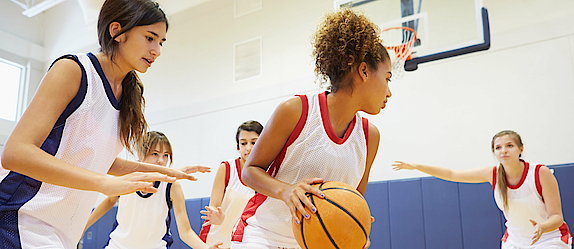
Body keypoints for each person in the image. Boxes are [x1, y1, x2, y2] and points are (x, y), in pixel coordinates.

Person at [0, 0, 208, 248]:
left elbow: (94, 159)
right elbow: (15, 153)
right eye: (150, 38)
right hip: (19, 219)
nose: (157, 51)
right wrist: (103, 183)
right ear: (116, 31)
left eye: (161, 42)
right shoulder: (73, 70)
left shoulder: (128, 95)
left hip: (62, 231)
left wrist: (163, 172)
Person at [230, 8, 392, 249]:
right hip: (262, 237)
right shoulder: (296, 111)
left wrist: (353, 224)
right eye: (388, 78)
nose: (389, 91)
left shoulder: (370, 137)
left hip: (312, 243)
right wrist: (286, 191)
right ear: (364, 71)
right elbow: (250, 171)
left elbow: (354, 200)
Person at [392, 130, 572, 249]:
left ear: (520, 149)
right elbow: (452, 173)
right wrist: (417, 166)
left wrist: (542, 227)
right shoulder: (492, 174)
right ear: (494, 152)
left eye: (509, 145)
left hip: (549, 240)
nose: (504, 151)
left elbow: (557, 217)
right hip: (515, 242)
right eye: (498, 147)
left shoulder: (540, 172)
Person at [84, 131, 221, 249]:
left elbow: (185, 231)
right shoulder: (127, 177)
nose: (161, 160)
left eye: (166, 155)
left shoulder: (172, 186)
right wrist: (84, 225)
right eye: (155, 154)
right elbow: (109, 200)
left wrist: (205, 247)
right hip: (119, 245)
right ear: (141, 153)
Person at [199, 121, 262, 248]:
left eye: (254, 142)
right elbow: (213, 206)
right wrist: (216, 216)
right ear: (238, 146)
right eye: (243, 143)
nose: (248, 148)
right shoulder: (227, 168)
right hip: (217, 238)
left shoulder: (268, 173)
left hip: (246, 241)